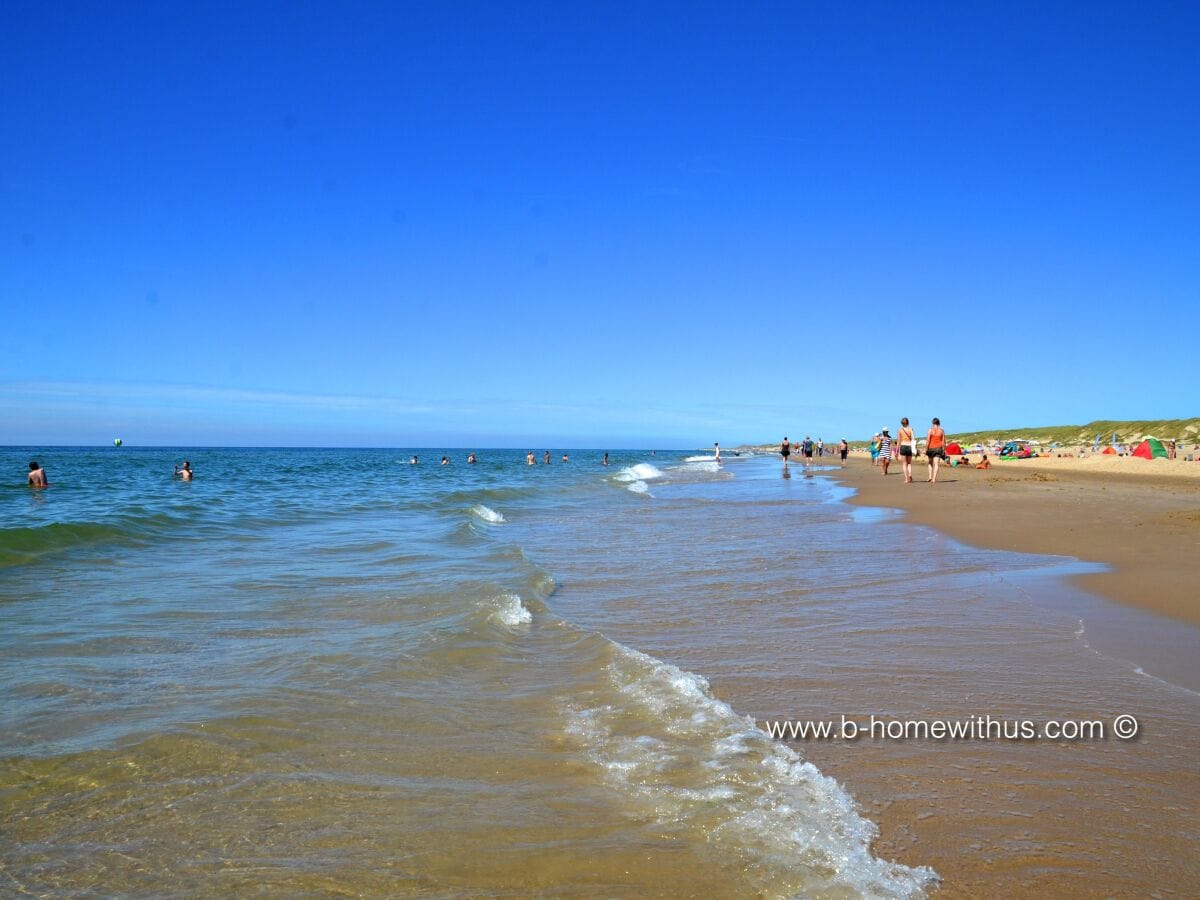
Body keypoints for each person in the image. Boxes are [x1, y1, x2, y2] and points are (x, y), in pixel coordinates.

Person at [926, 417, 946, 484]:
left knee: (930, 463)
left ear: (933, 423)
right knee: (936, 464)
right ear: (939, 423)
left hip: (931, 448)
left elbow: (928, 440)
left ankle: (930, 477)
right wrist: (944, 450)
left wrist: (926, 448)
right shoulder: (942, 431)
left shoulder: (930, 430)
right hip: (938, 448)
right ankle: (934, 479)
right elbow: (943, 441)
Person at [897, 417, 916, 483]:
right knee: (909, 463)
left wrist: (896, 450)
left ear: (901, 423)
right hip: (909, 446)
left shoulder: (900, 430)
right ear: (908, 422)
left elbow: (899, 441)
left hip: (903, 446)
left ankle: (906, 478)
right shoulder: (911, 429)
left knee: (904, 463)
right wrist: (915, 448)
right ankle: (910, 475)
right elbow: (913, 438)